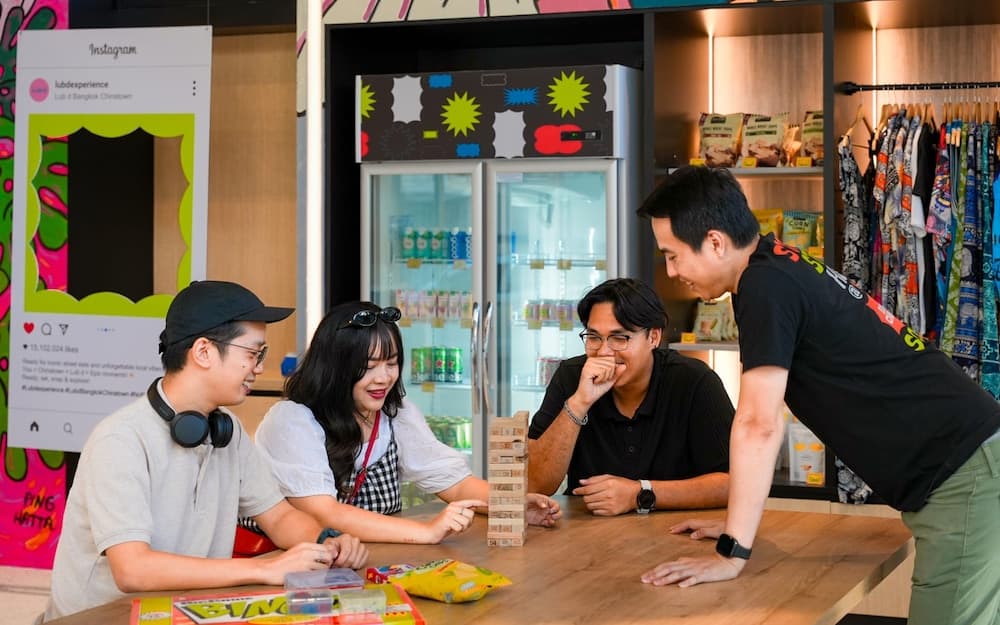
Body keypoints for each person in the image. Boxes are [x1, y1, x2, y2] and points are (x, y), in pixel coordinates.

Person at [636, 165, 1000, 625]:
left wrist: (732, 552)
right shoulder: (776, 266)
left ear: (714, 242)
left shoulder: (764, 286)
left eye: (673, 256)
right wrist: (735, 524)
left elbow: (758, 423)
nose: (671, 272)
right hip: (974, 465)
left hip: (965, 478)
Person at [42, 281, 368, 621]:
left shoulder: (228, 430)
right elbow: (133, 569)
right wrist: (264, 569)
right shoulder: (120, 440)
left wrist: (327, 541)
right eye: (253, 354)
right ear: (203, 352)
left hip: (185, 612)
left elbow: (279, 517)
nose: (258, 367)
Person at [254, 301, 562, 545]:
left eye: (391, 363)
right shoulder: (293, 421)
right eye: (368, 367)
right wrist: (426, 531)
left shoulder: (395, 415)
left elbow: (456, 485)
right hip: (296, 569)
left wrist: (510, 505)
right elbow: (324, 513)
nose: (384, 378)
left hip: (366, 560)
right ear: (334, 368)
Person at [527, 277, 734, 516]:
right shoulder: (572, 377)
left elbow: (734, 484)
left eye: (619, 338)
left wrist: (640, 494)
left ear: (653, 337)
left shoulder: (694, 381)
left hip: (675, 530)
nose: (604, 352)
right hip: (588, 532)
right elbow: (535, 484)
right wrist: (579, 402)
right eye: (594, 337)